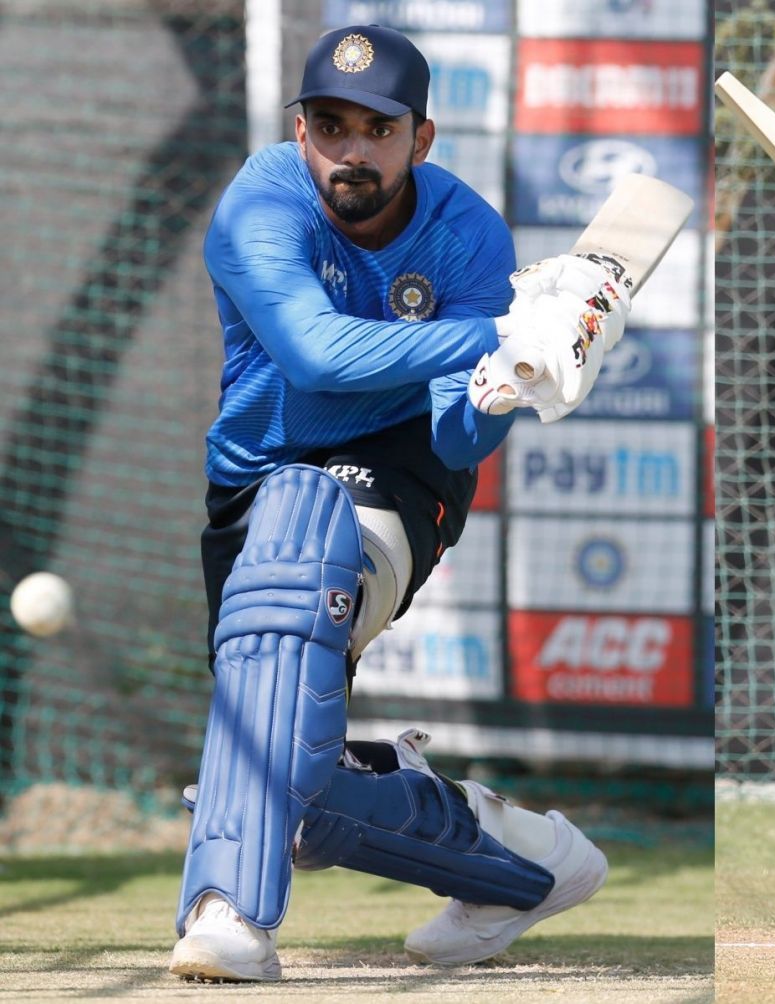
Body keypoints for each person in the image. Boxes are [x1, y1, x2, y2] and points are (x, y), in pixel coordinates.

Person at [171, 25, 630, 982]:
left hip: (400, 470)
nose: (350, 150)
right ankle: (526, 864)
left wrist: (507, 382)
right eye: (328, 126)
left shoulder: (468, 235)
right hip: (253, 475)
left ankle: (227, 916)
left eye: (376, 130)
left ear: (420, 139)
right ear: (301, 130)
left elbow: (459, 440)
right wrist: (498, 330)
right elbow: (316, 356)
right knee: (277, 788)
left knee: (298, 563)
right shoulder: (262, 201)